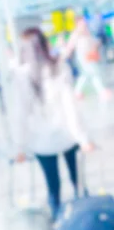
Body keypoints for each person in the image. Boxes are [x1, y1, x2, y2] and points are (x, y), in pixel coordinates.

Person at [11, 27, 95, 219]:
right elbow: (70, 108)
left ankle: (58, 221)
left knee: (52, 185)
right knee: (78, 182)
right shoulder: (58, 67)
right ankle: (85, 221)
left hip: (41, 143)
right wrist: (83, 138)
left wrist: (20, 146)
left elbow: (20, 115)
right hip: (67, 136)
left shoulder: (21, 75)